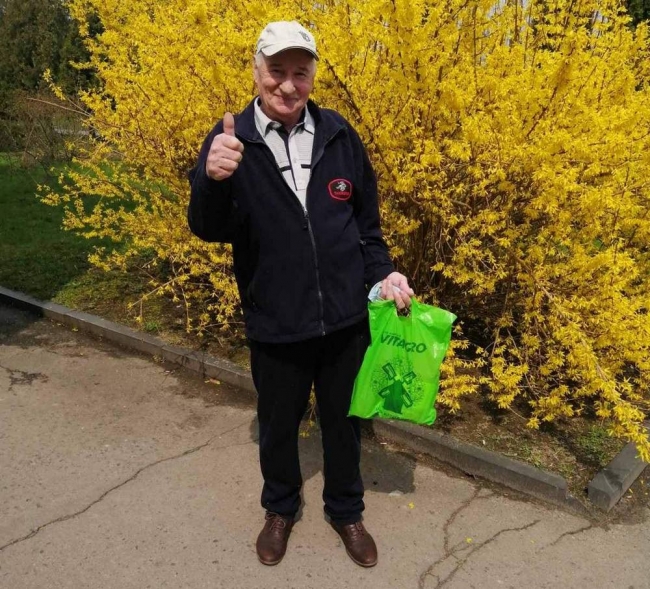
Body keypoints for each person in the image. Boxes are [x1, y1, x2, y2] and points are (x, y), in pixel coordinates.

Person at [187, 20, 414, 568]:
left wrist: (384, 276)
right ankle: (280, 509)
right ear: (256, 71)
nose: (288, 85)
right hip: (276, 319)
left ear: (313, 76)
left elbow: (366, 226)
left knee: (344, 424)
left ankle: (347, 510)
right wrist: (211, 179)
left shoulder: (338, 134)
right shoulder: (232, 138)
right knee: (278, 426)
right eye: (277, 71)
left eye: (300, 73)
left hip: (344, 321)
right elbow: (206, 227)